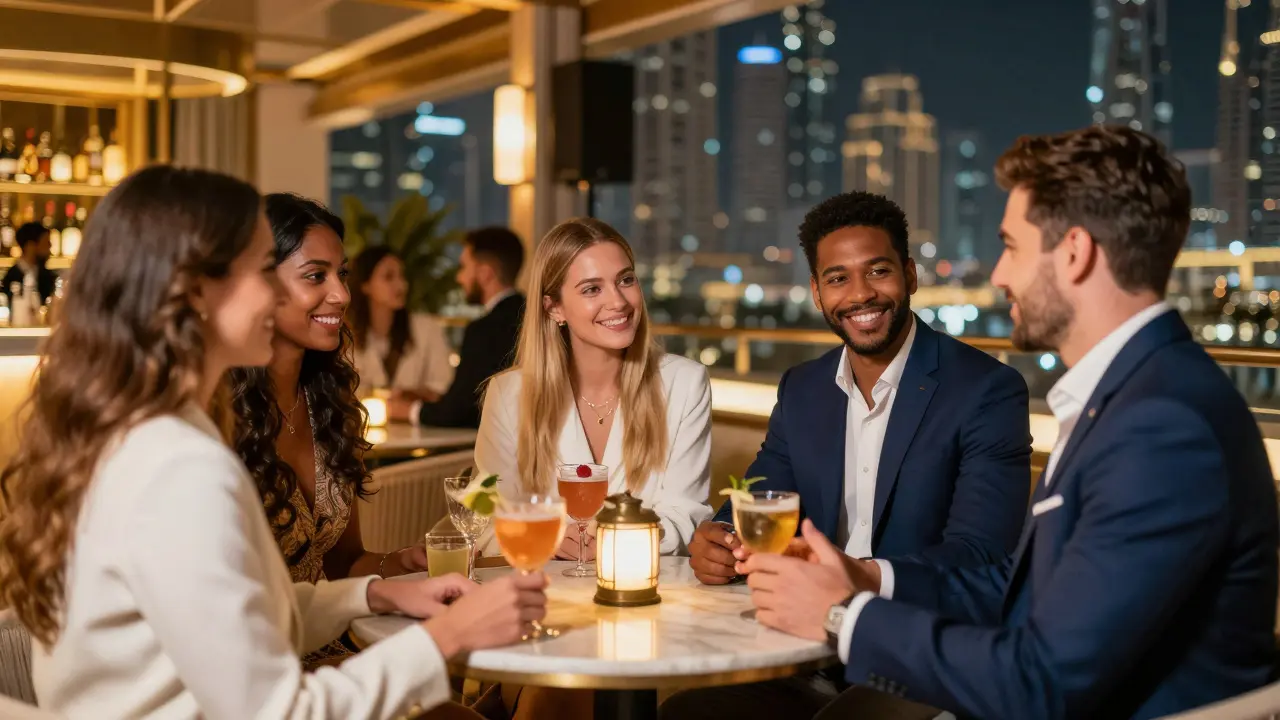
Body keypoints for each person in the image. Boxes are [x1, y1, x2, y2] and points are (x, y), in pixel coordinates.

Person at [742, 126, 1279, 720]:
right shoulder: (1135, 396)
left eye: (1011, 246)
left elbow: (1043, 684)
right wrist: (863, 581)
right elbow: (1021, 589)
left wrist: (841, 616)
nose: (998, 274)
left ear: (1074, 252)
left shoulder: (1161, 426)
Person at [0, 165, 547, 719]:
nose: (278, 294)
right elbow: (274, 711)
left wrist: (372, 593)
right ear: (194, 292)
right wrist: (445, 639)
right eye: (264, 270)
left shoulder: (151, 431)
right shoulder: (180, 465)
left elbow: (240, 617)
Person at [665, 192, 1032, 719]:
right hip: (799, 651)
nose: (861, 294)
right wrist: (720, 539)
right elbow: (760, 496)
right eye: (838, 278)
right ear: (816, 292)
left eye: (878, 271)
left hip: (914, 658)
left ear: (908, 273)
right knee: (684, 714)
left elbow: (981, 557)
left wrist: (858, 575)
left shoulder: (986, 390)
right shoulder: (803, 388)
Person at [226, 194, 431, 666]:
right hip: (256, 668)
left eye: (341, 274)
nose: (341, 294)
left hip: (333, 649)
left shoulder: (329, 404)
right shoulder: (216, 421)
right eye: (315, 276)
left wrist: (400, 564)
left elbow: (342, 564)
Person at [475, 217, 712, 556]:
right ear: (554, 307)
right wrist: (550, 537)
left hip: (648, 594)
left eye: (625, 280)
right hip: (545, 596)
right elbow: (485, 521)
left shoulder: (685, 383)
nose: (618, 301)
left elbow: (686, 517)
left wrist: (617, 537)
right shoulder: (508, 395)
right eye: (591, 289)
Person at [389, 226, 526, 428]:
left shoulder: (484, 329)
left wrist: (404, 410)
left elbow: (461, 410)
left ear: (485, 274)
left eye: (463, 267)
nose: (459, 278)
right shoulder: (534, 317)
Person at [348, 245, 454, 400]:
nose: (401, 285)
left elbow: (443, 385)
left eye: (402, 276)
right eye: (389, 277)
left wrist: (410, 395)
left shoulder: (427, 329)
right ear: (365, 285)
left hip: (416, 423)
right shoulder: (347, 335)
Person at [2, 222, 56, 309]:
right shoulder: (11, 278)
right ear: (30, 246)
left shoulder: (48, 277)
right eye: (46, 242)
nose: (50, 247)